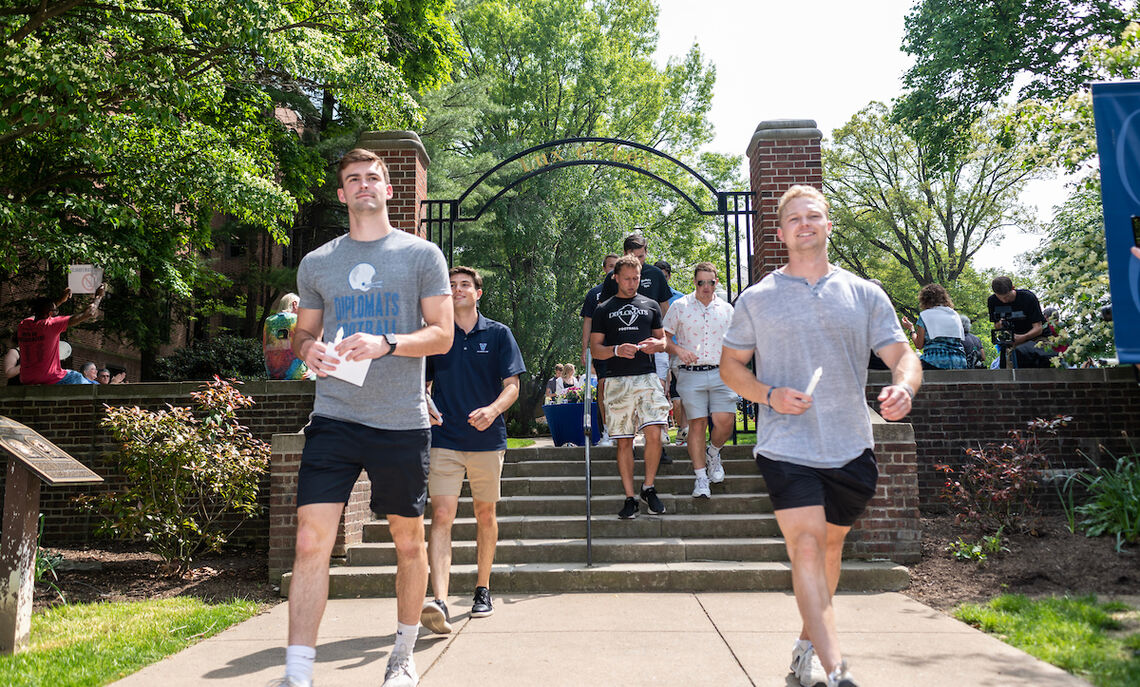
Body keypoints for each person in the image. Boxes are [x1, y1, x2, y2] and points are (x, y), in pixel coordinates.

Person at [720, 185, 921, 687]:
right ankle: (838, 672)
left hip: (850, 445)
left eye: (814, 216)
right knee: (805, 548)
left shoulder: (865, 293)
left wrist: (904, 388)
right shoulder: (757, 299)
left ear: (829, 226)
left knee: (830, 553)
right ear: (781, 231)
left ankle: (806, 645)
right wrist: (768, 395)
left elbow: (903, 356)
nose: (804, 224)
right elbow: (730, 368)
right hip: (786, 446)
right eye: (794, 218)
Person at [273, 148, 453, 687]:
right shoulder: (318, 262)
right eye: (353, 180)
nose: (363, 186)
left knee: (407, 541)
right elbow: (302, 333)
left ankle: (401, 654)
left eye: (373, 178)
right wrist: (309, 352)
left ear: (389, 190)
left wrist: (388, 342)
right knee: (310, 540)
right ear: (342, 194)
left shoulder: (422, 255)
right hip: (335, 416)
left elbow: (442, 333)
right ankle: (298, 672)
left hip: (400, 420)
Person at [421, 266, 525, 634]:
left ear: (478, 293)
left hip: (486, 439)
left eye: (465, 284)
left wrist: (493, 410)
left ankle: (483, 589)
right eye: (451, 286)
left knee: (485, 513)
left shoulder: (499, 334)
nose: (458, 289)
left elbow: (512, 385)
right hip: (444, 438)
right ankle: (440, 600)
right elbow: (420, 382)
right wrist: (426, 403)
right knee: (442, 515)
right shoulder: (435, 335)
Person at [590, 254, 672, 519]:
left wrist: (655, 345)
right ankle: (630, 498)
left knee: (655, 433)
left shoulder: (650, 305)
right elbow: (596, 350)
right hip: (616, 379)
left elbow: (663, 342)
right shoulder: (603, 309)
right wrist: (615, 349)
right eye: (626, 278)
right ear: (616, 278)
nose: (631, 283)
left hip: (646, 376)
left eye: (636, 278)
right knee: (624, 442)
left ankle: (648, 487)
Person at [662, 262, 736, 499]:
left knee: (725, 421)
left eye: (711, 282)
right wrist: (678, 350)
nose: (706, 286)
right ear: (694, 282)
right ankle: (701, 478)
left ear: (716, 282)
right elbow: (665, 338)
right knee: (698, 423)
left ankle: (713, 452)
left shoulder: (727, 309)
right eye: (701, 282)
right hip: (690, 374)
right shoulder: (680, 306)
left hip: (721, 373)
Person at [18, 285, 105, 385]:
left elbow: (42, 311)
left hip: (26, 377)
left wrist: (61, 300)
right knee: (78, 377)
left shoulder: (24, 325)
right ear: (50, 313)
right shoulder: (51, 325)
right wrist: (99, 297)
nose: (57, 313)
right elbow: (89, 312)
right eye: (56, 311)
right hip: (49, 377)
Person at [580, 253, 619, 446]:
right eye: (610, 266)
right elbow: (587, 321)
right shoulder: (594, 293)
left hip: (623, 349)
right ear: (604, 269)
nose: (612, 269)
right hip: (601, 347)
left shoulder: (628, 291)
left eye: (616, 266)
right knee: (603, 386)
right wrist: (584, 349)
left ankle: (623, 432)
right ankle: (606, 432)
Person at [656, 259, 688, 445]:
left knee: (680, 394)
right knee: (659, 391)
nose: (662, 279)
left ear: (669, 275)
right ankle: (663, 431)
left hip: (676, 349)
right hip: (657, 350)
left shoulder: (680, 298)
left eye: (665, 276)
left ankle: (683, 431)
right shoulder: (649, 296)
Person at [900, 284, 968, 370]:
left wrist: (911, 329)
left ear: (924, 299)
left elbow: (919, 345)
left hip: (934, 361)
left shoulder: (925, 315)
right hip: (959, 361)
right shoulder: (954, 315)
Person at [987, 275, 1047, 368]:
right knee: (1012, 362)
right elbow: (996, 326)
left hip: (1037, 338)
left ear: (1013, 288)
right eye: (1000, 298)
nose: (1004, 300)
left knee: (1033, 356)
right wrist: (1001, 324)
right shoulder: (992, 301)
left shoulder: (1028, 298)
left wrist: (1023, 337)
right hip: (1014, 341)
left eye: (1007, 297)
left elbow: (1038, 328)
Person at [264, 293, 314, 380]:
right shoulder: (298, 320)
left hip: (273, 374)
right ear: (294, 304)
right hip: (297, 374)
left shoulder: (268, 321)